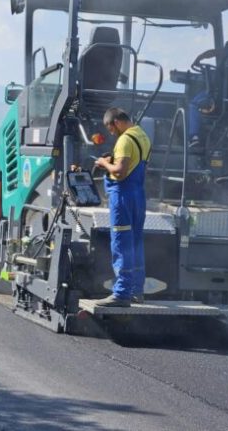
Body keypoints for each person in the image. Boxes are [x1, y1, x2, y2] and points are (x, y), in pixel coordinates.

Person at [93, 108, 151, 306]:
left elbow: (119, 171)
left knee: (121, 242)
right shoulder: (143, 136)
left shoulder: (125, 140)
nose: (111, 133)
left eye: (110, 128)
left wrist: (104, 163)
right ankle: (137, 290)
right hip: (138, 195)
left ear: (117, 122)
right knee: (135, 242)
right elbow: (136, 165)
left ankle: (121, 294)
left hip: (123, 196)